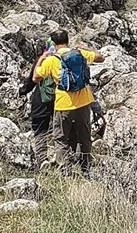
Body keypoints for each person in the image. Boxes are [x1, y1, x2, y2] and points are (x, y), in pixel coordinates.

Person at [33, 30, 105, 174]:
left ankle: (65, 170)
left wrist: (41, 58)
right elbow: (100, 58)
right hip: (84, 102)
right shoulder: (78, 54)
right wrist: (83, 49)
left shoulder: (52, 60)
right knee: (85, 136)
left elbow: (36, 77)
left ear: (53, 43)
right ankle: (86, 168)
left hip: (63, 104)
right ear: (68, 40)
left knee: (60, 138)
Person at [22, 37, 57, 140]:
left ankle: (41, 155)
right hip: (58, 100)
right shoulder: (62, 60)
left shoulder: (42, 61)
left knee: (40, 133)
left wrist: (22, 91)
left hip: (41, 100)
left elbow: (32, 81)